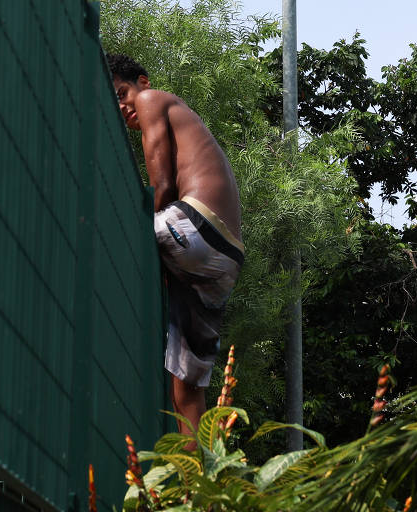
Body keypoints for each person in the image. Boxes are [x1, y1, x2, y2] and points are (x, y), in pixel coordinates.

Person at [106, 54, 244, 438]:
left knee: (110, 226)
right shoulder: (176, 114)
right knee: (186, 388)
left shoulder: (154, 100)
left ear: (142, 83)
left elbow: (162, 185)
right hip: (222, 261)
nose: (123, 108)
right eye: (115, 105)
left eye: (122, 94)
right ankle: (197, 488)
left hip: (197, 225)